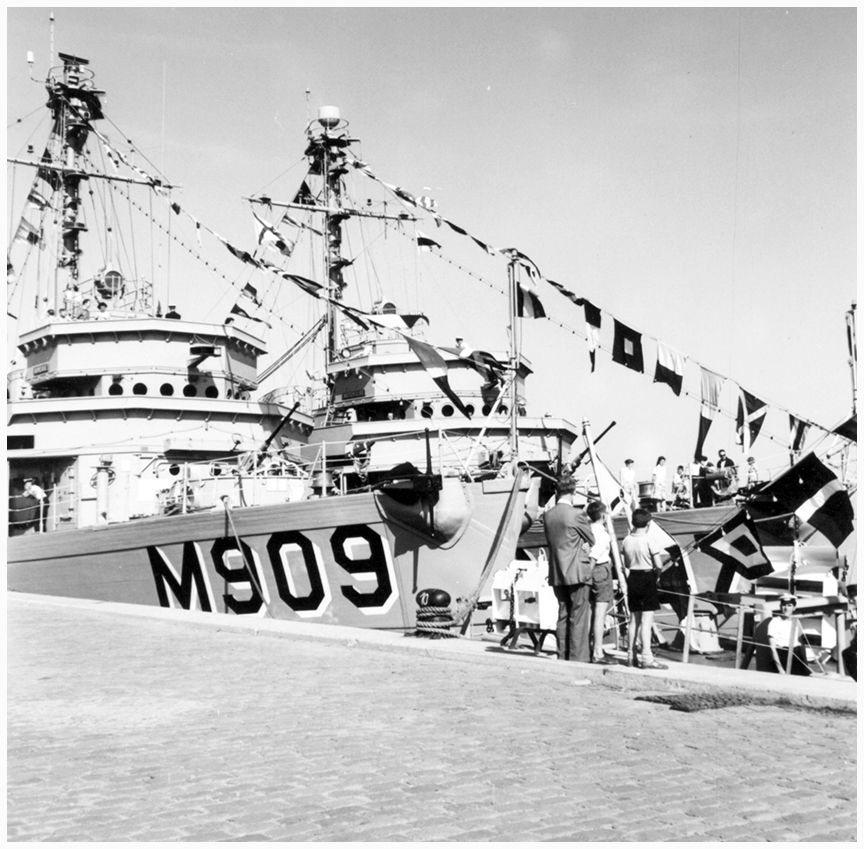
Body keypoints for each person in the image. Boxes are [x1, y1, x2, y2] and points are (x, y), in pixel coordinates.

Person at [543, 475, 595, 662]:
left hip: (557, 571)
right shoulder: (577, 514)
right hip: (577, 572)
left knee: (563, 613)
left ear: (557, 492)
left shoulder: (548, 515)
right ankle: (578, 659)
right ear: (573, 492)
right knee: (578, 616)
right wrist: (584, 545)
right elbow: (591, 539)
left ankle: (562, 655)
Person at [621, 507, 667, 670]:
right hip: (647, 577)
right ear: (648, 524)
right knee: (647, 621)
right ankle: (647, 658)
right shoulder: (649, 540)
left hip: (633, 578)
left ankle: (630, 655)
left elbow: (627, 563)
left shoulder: (626, 540)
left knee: (634, 620)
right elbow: (659, 565)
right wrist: (657, 575)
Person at [586, 500, 615, 664]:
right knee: (600, 613)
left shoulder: (587, 529)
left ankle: (590, 647)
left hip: (590, 570)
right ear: (603, 516)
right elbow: (595, 555)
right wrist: (588, 573)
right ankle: (598, 652)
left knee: (590, 611)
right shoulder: (603, 535)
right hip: (600, 570)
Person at [767, 594, 811, 676]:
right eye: (784, 605)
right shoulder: (774, 622)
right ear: (780, 606)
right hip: (783, 655)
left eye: (789, 605)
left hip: (797, 656)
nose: (786, 608)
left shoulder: (796, 621)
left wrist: (806, 666)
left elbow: (802, 645)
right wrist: (781, 670)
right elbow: (772, 648)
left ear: (794, 608)